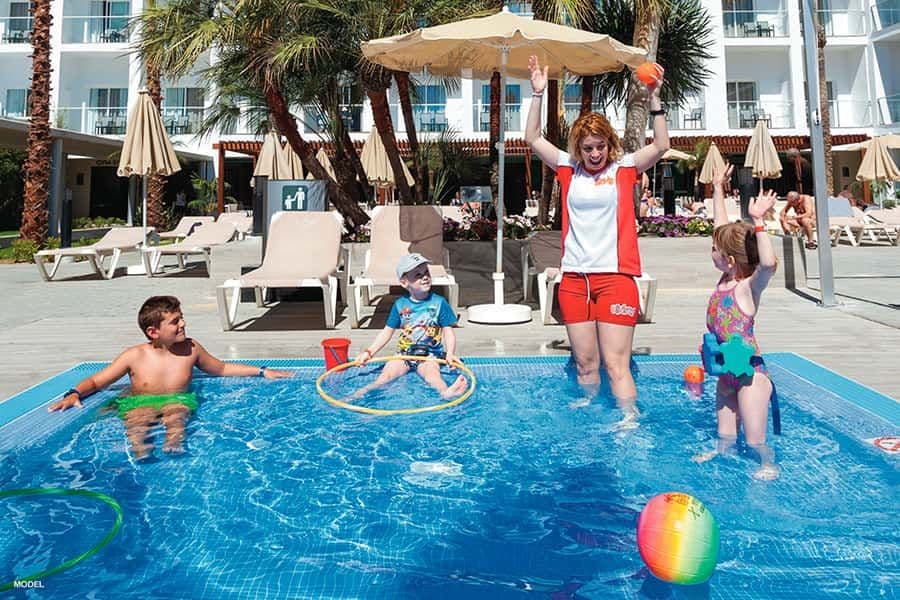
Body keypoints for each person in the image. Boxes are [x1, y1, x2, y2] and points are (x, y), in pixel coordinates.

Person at [525, 55, 670, 418]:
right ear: (578, 148)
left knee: (616, 364)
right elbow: (531, 138)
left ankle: (628, 420)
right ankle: (590, 416)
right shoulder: (567, 169)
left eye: (600, 146)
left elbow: (662, 145)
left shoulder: (624, 168)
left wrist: (655, 101)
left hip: (616, 279)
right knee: (586, 364)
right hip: (574, 279)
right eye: (587, 147)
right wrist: (538, 94)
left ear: (609, 145)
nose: (594, 153)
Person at [48, 296, 293, 458]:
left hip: (177, 399)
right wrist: (74, 393)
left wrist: (261, 371)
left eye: (182, 317)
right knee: (137, 419)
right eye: (175, 322)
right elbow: (96, 381)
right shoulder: (134, 356)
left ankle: (174, 447)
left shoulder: (191, 349)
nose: (183, 324)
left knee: (176, 414)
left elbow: (221, 368)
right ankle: (140, 452)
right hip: (138, 402)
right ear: (153, 332)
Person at [693, 164, 780, 480]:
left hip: (751, 376)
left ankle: (767, 464)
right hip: (726, 375)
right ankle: (722, 456)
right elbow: (721, 229)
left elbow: (768, 264)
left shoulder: (747, 288)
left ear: (729, 259)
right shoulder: (724, 278)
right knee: (726, 436)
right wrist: (716, 188)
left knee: (754, 439)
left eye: (714, 250)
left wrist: (759, 222)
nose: (711, 251)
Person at [352, 253, 467, 400]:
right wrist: (369, 352)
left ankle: (446, 392)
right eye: (417, 275)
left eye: (426, 272)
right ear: (404, 282)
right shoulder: (400, 305)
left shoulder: (439, 303)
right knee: (386, 376)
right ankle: (360, 394)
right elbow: (387, 332)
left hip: (429, 356)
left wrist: (450, 353)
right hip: (404, 354)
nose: (424, 277)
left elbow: (448, 331)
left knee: (433, 376)